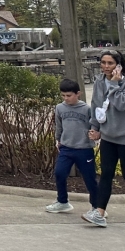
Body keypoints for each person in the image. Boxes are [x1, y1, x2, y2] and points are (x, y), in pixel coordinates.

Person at [82, 50, 125, 231]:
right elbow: (96, 106)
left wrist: (114, 84)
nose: (105, 67)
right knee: (106, 174)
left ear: (118, 65)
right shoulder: (99, 82)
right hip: (109, 137)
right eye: (103, 62)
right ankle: (100, 213)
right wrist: (94, 128)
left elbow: (121, 104)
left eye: (110, 63)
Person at [45, 78, 98, 214]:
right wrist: (58, 139)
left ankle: (97, 207)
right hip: (66, 148)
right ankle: (62, 202)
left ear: (78, 94)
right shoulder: (60, 107)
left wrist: (95, 134)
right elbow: (59, 125)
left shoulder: (87, 109)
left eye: (69, 95)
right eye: (63, 95)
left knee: (89, 178)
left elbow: (95, 125)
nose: (66, 98)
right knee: (59, 173)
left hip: (84, 149)